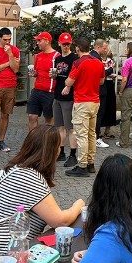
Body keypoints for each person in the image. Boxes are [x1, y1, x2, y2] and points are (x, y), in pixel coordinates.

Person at [0, 125, 84, 263]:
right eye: (58, 147)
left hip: (2, 254)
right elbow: (60, 221)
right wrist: (78, 205)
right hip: (1, 259)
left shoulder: (16, 168)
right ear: (49, 151)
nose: (59, 151)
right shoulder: (29, 177)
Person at [64, 38, 105, 177]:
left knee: (81, 135)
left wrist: (68, 82)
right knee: (91, 134)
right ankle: (90, 163)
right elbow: (101, 81)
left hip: (82, 102)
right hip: (95, 102)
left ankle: (82, 166)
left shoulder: (78, 62)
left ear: (78, 48)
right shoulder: (98, 62)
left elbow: (69, 81)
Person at [53, 32, 79, 167]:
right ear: (59, 44)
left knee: (70, 128)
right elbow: (58, 76)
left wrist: (69, 87)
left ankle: (73, 154)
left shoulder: (74, 58)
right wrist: (54, 76)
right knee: (60, 127)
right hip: (57, 95)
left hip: (69, 97)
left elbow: (75, 77)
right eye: (64, 44)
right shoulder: (57, 59)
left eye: (68, 44)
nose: (66, 46)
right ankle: (61, 152)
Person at [27, 31, 60, 130]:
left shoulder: (56, 56)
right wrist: (34, 74)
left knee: (49, 120)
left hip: (50, 92)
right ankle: (33, 142)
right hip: (36, 90)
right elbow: (37, 72)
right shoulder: (38, 56)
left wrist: (56, 75)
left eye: (39, 40)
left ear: (46, 41)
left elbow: (60, 73)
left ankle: (47, 143)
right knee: (32, 116)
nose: (37, 43)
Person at [90, 39, 114, 145]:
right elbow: (100, 74)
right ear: (98, 47)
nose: (106, 50)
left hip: (93, 89)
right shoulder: (96, 58)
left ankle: (93, 136)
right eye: (104, 48)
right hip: (99, 90)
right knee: (98, 114)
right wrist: (109, 71)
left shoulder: (91, 56)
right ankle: (96, 137)